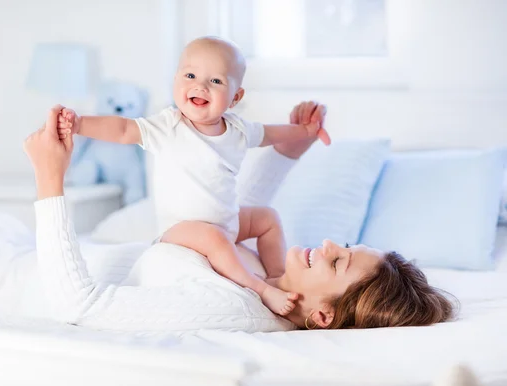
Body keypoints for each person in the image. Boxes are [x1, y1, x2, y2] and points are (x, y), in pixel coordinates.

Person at [23, 102, 455, 333]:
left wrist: (49, 176)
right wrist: (294, 143)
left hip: (21, 284)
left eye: (338, 261)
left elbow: (77, 305)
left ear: (323, 316)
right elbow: (231, 210)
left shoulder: (235, 310)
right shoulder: (271, 281)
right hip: (26, 264)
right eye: (343, 247)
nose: (327, 246)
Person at [56, 37, 333, 316]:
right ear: (176, 80)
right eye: (190, 75)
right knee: (215, 239)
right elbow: (121, 130)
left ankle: (278, 276)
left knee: (267, 218)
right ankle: (261, 288)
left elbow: (273, 134)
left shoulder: (239, 130)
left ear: (236, 97)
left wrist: (304, 131)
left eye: (216, 81)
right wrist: (80, 124)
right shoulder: (168, 126)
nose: (200, 85)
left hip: (228, 222)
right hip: (182, 230)